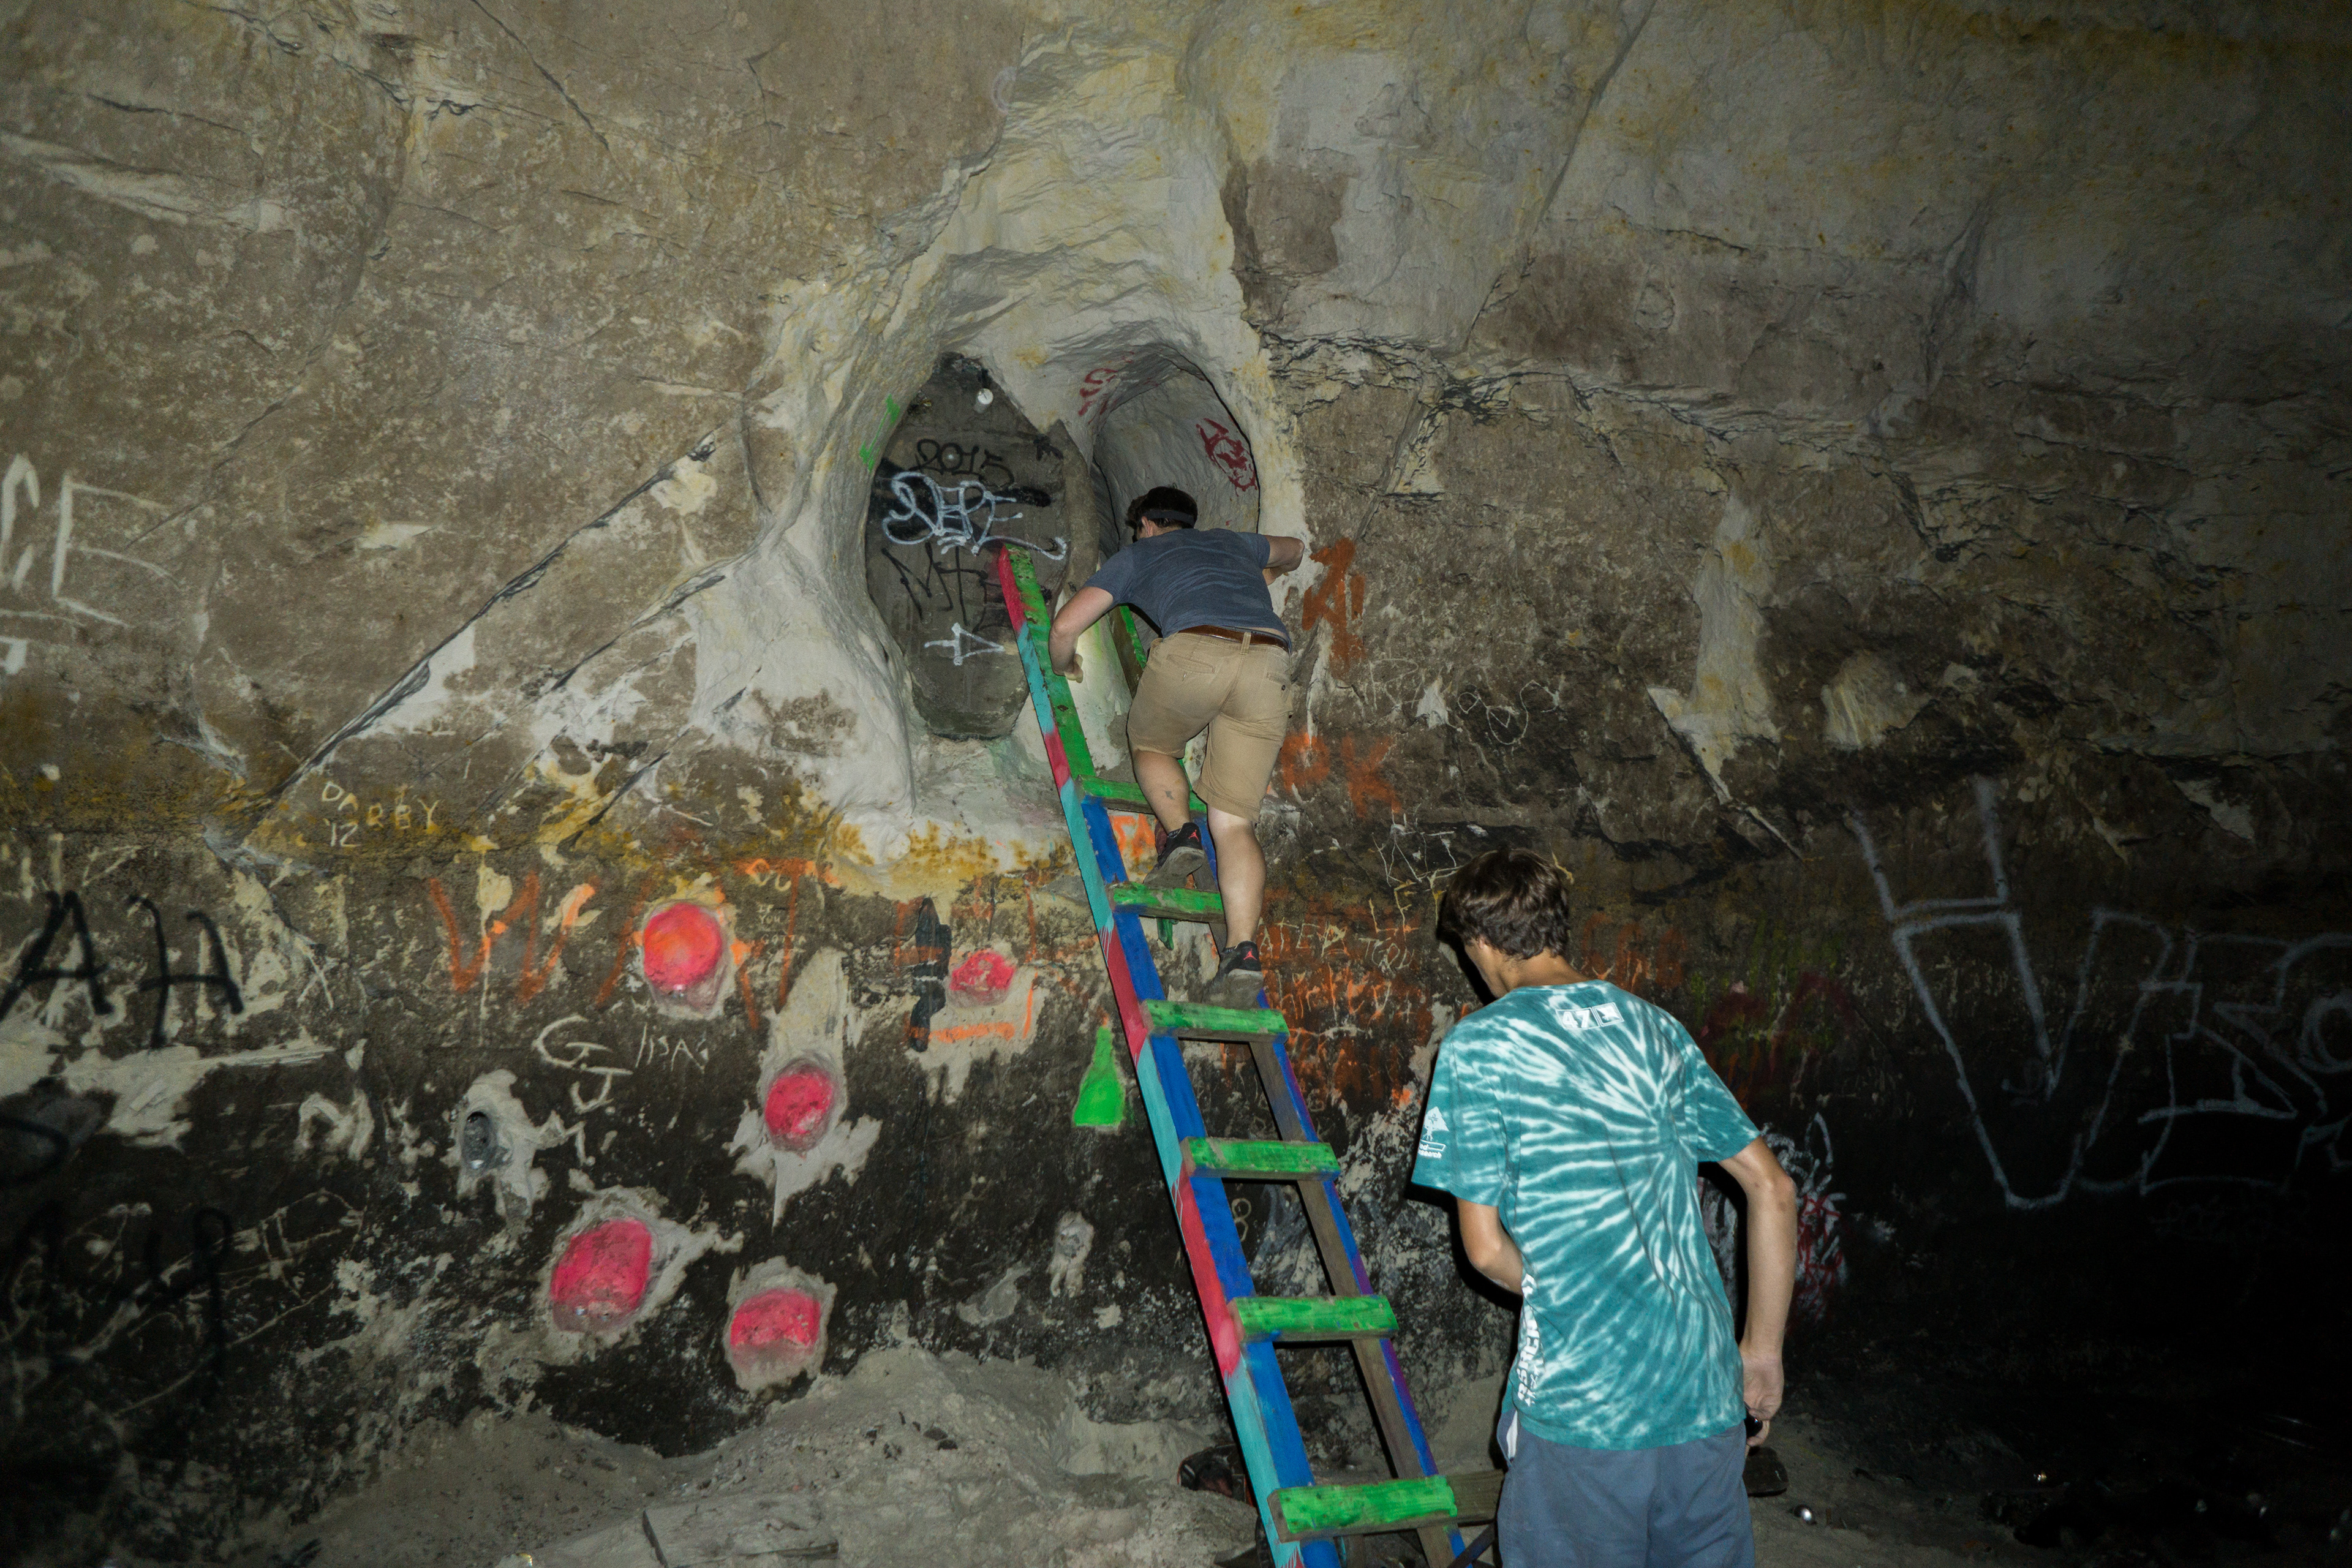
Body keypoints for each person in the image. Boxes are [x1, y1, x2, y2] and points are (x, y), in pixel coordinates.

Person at [1413, 848, 1798, 1568]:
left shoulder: (1480, 1046)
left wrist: (1570, 1287)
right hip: (1703, 1386)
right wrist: (1762, 1352)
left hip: (1584, 1405)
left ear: (1483, 943)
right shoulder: (1656, 1028)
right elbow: (1773, 1189)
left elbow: (1486, 1249)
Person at [1046, 486, 1306, 1007]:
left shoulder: (1140, 555)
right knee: (1235, 821)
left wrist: (1065, 663)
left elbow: (1066, 625)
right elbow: (1296, 549)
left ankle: (1180, 833)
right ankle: (1242, 952)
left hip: (1196, 649)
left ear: (1145, 523)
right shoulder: (1233, 543)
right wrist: (1264, 574)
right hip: (1269, 662)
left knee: (1151, 744)